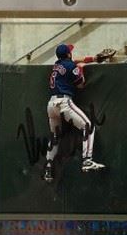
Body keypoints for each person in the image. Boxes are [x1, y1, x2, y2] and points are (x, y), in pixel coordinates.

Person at [44, 43, 105, 183]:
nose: (72, 53)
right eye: (70, 51)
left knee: (54, 136)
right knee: (88, 126)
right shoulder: (71, 66)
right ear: (68, 54)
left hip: (51, 104)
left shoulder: (56, 65)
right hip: (64, 103)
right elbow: (80, 84)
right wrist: (81, 69)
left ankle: (48, 168)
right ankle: (87, 160)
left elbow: (73, 62)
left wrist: (94, 59)